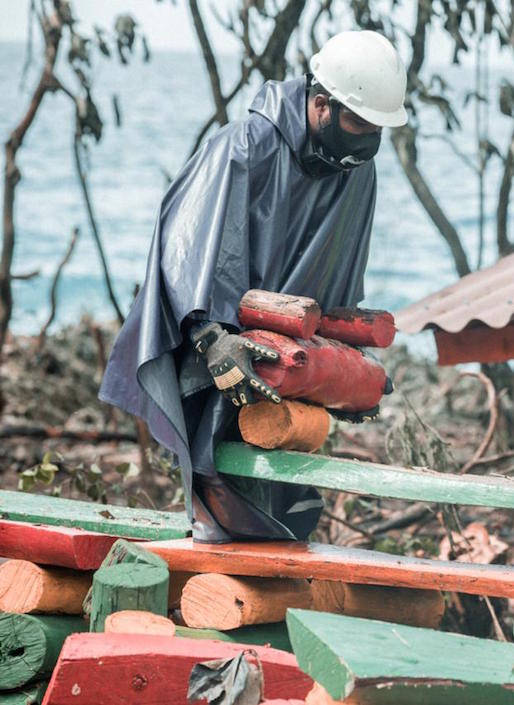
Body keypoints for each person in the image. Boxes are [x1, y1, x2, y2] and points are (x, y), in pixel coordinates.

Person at [100, 30, 408, 543]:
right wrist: (210, 336)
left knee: (287, 497)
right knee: (220, 489)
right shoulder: (245, 145)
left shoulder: (357, 170)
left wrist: (344, 370)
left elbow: (340, 271)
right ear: (320, 104)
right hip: (223, 346)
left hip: (288, 361)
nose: (366, 138)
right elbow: (188, 244)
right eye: (358, 122)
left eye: (377, 128)